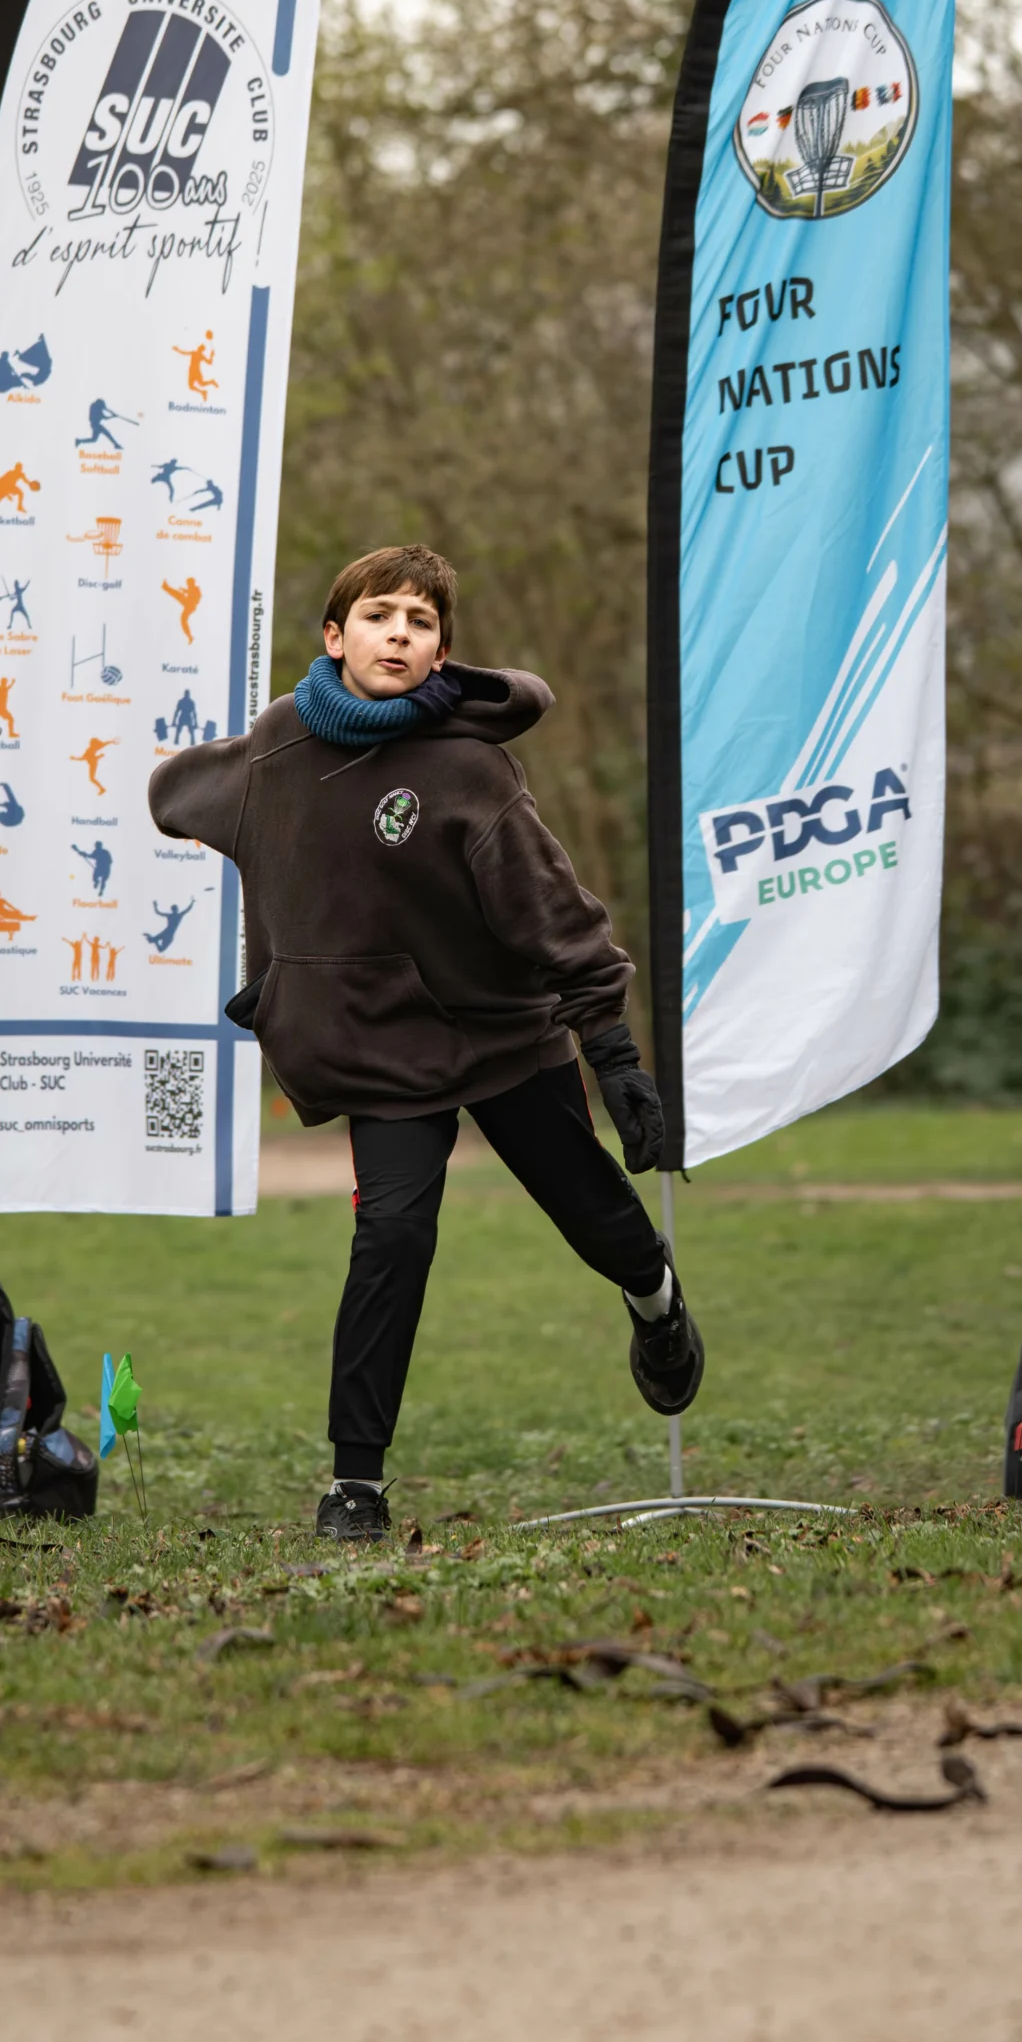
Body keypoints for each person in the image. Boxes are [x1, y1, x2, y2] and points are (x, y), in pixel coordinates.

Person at [148, 542, 700, 1545]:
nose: (397, 634)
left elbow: (557, 917)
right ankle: (354, 1483)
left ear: (442, 653)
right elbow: (179, 793)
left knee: (593, 1216)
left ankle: (655, 1300)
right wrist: (283, 967)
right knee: (391, 1239)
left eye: (419, 622)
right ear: (335, 635)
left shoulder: (467, 769)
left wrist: (613, 1055)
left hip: (502, 1038)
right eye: (377, 615)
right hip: (383, 1055)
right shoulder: (275, 747)